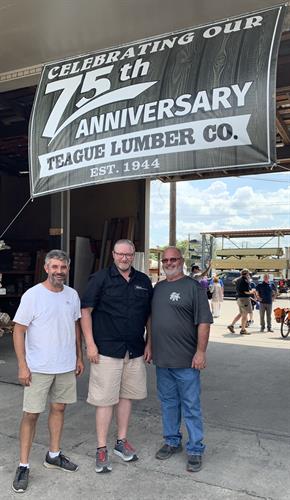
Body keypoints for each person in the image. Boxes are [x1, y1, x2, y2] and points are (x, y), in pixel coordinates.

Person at [12, 249, 84, 494]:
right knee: (31, 414)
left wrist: (79, 356)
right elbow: (19, 330)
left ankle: (53, 454)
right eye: (54, 267)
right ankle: (23, 465)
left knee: (59, 408)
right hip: (38, 367)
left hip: (65, 365)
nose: (59, 271)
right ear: (46, 268)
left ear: (67, 269)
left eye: (63, 267)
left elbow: (75, 327)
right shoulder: (33, 296)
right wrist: (22, 365)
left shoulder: (72, 295)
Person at [80, 239, 153, 473]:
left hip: (134, 350)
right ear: (113, 254)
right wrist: (90, 344)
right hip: (107, 350)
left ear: (134, 256)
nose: (124, 258)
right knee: (104, 400)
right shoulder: (100, 279)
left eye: (128, 255)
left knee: (126, 397)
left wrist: (149, 342)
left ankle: (121, 443)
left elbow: (149, 315)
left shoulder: (143, 281)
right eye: (120, 254)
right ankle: (101, 449)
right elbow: (85, 311)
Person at [151, 247, 213, 473]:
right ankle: (171, 441)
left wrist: (201, 352)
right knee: (168, 403)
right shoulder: (158, 288)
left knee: (191, 406)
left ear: (181, 261)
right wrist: (149, 345)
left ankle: (195, 449)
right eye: (165, 260)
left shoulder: (193, 287)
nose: (169, 263)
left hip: (187, 361)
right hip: (162, 360)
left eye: (173, 259)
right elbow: (152, 319)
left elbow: (204, 322)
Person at [227, 269, 255, 335]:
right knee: (244, 315)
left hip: (239, 298)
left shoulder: (238, 280)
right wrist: (252, 291)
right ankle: (243, 330)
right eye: (248, 274)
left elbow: (233, 281)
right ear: (246, 274)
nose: (249, 275)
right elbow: (246, 291)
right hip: (245, 299)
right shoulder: (244, 281)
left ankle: (231, 325)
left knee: (241, 313)